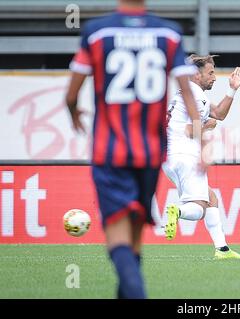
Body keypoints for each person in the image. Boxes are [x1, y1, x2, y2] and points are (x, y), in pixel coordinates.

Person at [65, 0, 200, 299]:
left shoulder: (96, 32)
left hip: (110, 151)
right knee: (134, 244)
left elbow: (72, 93)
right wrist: (201, 142)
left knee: (118, 241)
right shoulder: (169, 33)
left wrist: (73, 110)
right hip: (150, 153)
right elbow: (188, 92)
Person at [162, 54, 240, 260]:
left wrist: (232, 89)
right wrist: (208, 126)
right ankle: (178, 212)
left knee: (211, 199)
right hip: (186, 155)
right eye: (210, 73)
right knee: (199, 208)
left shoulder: (186, 93)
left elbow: (218, 113)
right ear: (196, 75)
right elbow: (192, 130)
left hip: (170, 158)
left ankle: (222, 249)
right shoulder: (195, 94)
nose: (214, 77)